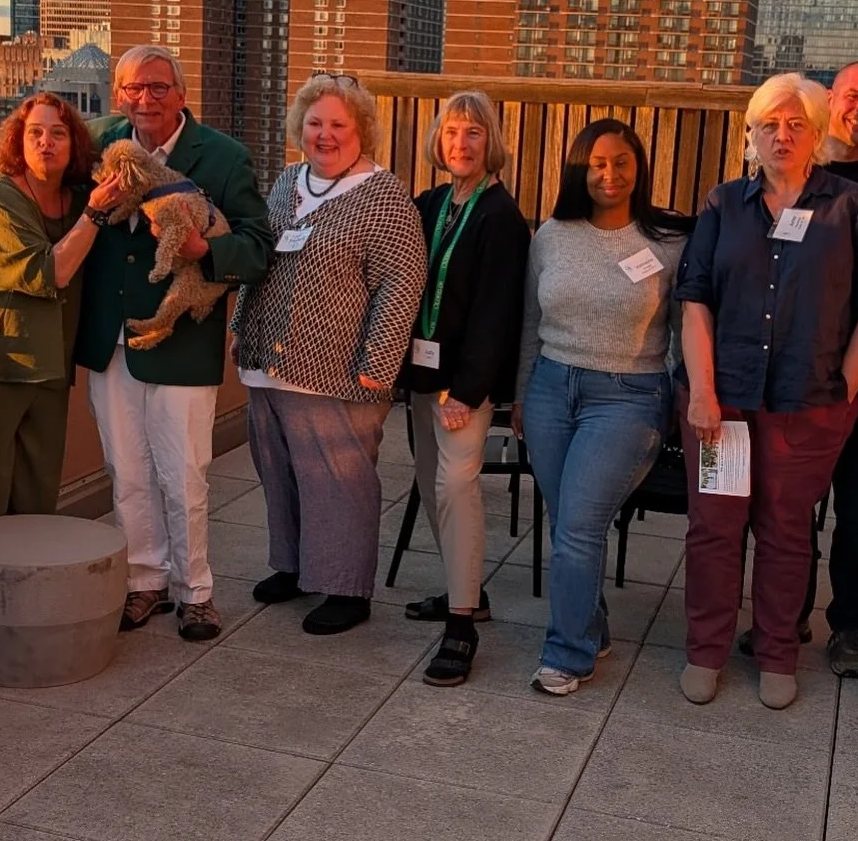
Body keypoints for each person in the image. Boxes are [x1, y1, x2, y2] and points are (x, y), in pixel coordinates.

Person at [676, 73, 858, 711]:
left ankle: (776, 650)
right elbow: (694, 300)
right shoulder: (724, 204)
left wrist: (846, 391)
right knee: (715, 528)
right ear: (751, 132)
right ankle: (706, 650)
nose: (782, 134)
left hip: (809, 405)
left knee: (786, 531)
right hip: (728, 404)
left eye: (796, 123)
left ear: (817, 132)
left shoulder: (851, 205)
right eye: (770, 123)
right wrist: (702, 392)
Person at [75, 45, 274, 640]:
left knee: (184, 472)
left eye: (158, 87)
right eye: (133, 88)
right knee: (126, 470)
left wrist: (204, 252)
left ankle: (196, 591)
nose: (145, 100)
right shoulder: (96, 143)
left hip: (183, 338)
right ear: (118, 94)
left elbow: (258, 246)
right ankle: (144, 583)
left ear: (182, 95)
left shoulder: (222, 156)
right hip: (110, 339)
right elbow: (35, 173)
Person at [232, 73, 426, 635]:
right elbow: (258, 254)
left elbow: (401, 282)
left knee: (339, 483)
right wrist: (241, 322)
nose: (326, 134)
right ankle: (293, 566)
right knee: (279, 470)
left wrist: (378, 365)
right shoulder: (289, 180)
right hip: (267, 359)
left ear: (361, 129)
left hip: (339, 369)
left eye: (339, 124)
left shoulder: (384, 194)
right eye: (315, 123)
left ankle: (345, 586)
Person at [515, 119, 689, 697]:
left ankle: (567, 655)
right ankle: (592, 625)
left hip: (628, 396)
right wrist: (520, 393)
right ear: (578, 170)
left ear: (639, 167)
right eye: (595, 163)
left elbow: (686, 331)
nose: (608, 174)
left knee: (580, 526)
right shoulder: (551, 235)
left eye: (620, 162)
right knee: (569, 524)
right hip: (549, 389)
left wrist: (684, 398)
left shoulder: (668, 240)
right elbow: (530, 325)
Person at [0, 92, 121, 545]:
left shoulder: (74, 198)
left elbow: (120, 124)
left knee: (37, 495)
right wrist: (95, 213)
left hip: (51, 366)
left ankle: (26, 600)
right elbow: (48, 274)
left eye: (59, 133)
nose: (46, 142)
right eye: (34, 132)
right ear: (17, 140)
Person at [399, 90, 530, 686]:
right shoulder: (429, 203)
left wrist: (469, 390)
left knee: (456, 486)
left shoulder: (501, 216)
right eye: (452, 131)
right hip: (425, 375)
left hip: (463, 388)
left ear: (490, 143)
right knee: (430, 485)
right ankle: (465, 592)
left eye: (474, 133)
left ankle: (461, 628)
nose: (461, 143)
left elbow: (497, 314)